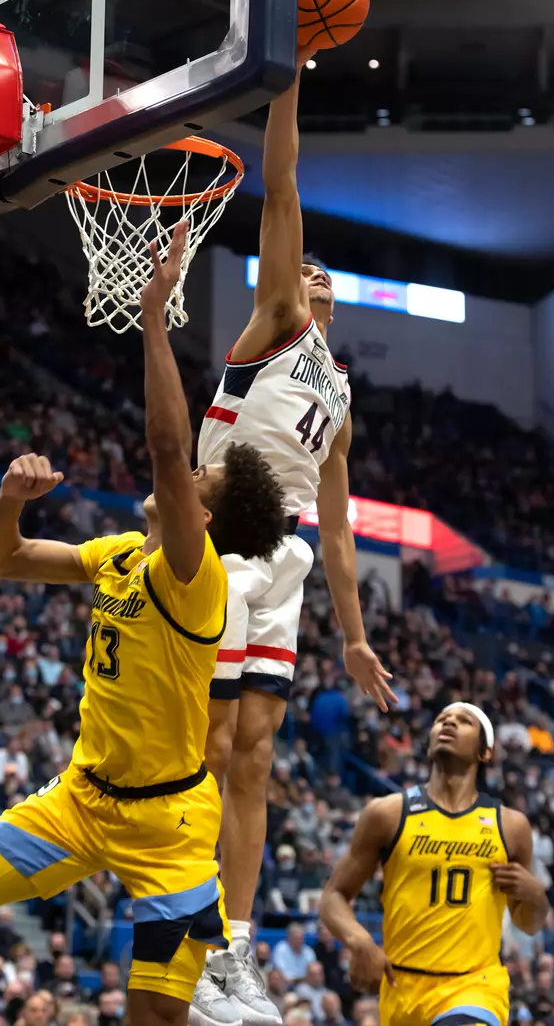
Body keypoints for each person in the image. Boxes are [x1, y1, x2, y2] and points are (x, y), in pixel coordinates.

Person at [0, 222, 287, 1026]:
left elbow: (165, 444)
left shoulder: (194, 582)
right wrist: (8, 501)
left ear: (203, 514)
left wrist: (155, 316)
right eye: (196, 465)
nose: (188, 470)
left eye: (202, 477)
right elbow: (3, 560)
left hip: (170, 828)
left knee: (152, 1020)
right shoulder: (121, 552)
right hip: (80, 800)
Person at [192, 54, 395, 1026]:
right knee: (215, 736)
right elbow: (285, 184)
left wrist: (352, 633)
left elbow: (344, 521)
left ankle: (232, 950)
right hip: (223, 535)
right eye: (301, 262)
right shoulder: (273, 320)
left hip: (289, 559)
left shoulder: (341, 393)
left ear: (334, 301)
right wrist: (285, 69)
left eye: (319, 273)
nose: (308, 270)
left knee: (258, 754)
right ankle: (186, 928)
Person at [320, 703, 548, 1026]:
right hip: (403, 989)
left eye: (464, 721)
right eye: (442, 719)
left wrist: (536, 895)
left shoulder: (510, 826)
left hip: (475, 985)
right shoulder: (387, 813)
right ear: (428, 744)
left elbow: (528, 923)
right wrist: (360, 942)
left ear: (485, 752)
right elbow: (333, 896)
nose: (449, 723)